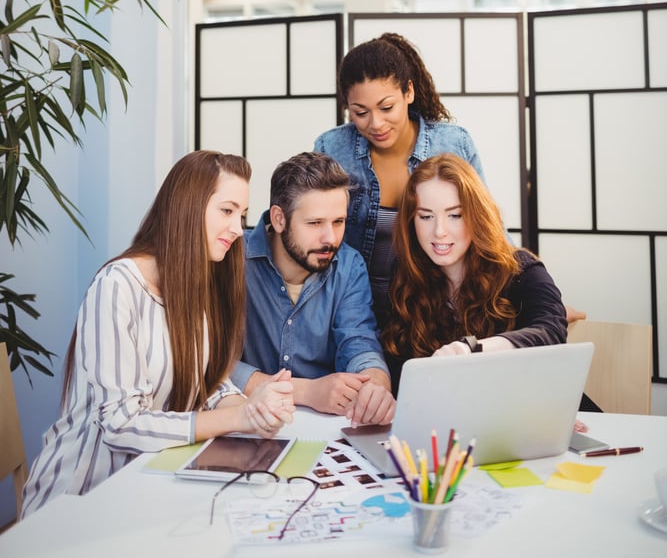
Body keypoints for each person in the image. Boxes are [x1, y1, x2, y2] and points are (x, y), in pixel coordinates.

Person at [22, 151, 295, 517]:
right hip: (80, 498)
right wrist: (239, 418)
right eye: (227, 211)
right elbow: (120, 424)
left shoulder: (191, 286)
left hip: (147, 487)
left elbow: (206, 387)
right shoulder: (117, 285)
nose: (237, 228)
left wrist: (254, 406)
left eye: (242, 216)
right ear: (188, 206)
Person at [314, 32, 484, 328]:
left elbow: (486, 227)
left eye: (386, 107)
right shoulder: (332, 149)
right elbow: (311, 229)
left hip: (431, 310)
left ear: (409, 92)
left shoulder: (453, 144)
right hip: (351, 311)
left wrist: (532, 293)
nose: (376, 124)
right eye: (360, 112)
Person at [231, 151, 395, 426]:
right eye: (315, 223)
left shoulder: (349, 265)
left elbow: (358, 340)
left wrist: (375, 384)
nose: (330, 238)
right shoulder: (232, 260)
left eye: (338, 222)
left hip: (324, 429)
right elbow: (209, 365)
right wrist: (306, 391)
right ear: (279, 219)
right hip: (243, 422)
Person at [381, 153, 568, 393]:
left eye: (455, 215)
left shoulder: (520, 268)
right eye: (426, 216)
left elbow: (551, 331)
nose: (439, 231)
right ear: (411, 221)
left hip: (535, 406)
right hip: (451, 422)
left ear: (476, 215)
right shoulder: (406, 277)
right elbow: (400, 370)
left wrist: (470, 349)